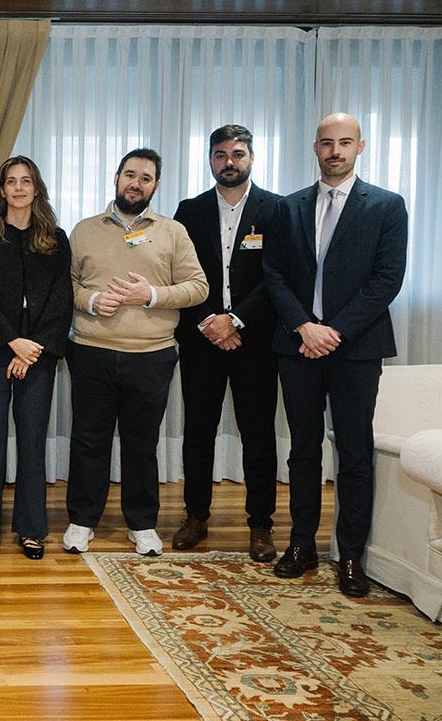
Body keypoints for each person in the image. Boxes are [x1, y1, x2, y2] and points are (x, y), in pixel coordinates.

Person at [264, 112, 408, 597]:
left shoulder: (387, 206)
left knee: (354, 452)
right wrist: (305, 326)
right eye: (327, 143)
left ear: (361, 146)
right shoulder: (288, 208)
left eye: (345, 142)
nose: (335, 151)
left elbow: (386, 280)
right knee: (302, 449)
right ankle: (301, 544)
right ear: (315, 147)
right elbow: (274, 275)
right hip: (297, 344)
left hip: (357, 349)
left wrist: (334, 331)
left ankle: (350, 555)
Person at [64, 148, 208, 557]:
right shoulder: (84, 229)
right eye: (130, 174)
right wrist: (91, 302)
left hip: (152, 354)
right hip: (91, 350)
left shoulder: (172, 232)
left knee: (141, 443)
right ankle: (82, 520)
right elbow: (66, 286)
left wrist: (152, 295)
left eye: (146, 178)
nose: (136, 183)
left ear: (156, 186)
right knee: (88, 439)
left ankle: (142, 524)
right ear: (116, 177)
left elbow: (198, 287)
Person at [172, 124, 280, 561]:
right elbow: (178, 275)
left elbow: (279, 277)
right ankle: (195, 516)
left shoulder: (277, 210)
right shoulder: (189, 210)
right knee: (198, 431)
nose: (229, 162)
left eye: (237, 154)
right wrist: (209, 322)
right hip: (201, 340)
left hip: (256, 341)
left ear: (251, 157)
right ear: (210, 159)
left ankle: (261, 525)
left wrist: (234, 320)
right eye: (220, 154)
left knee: (258, 434)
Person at [0, 155, 72, 559]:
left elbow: (63, 299)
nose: (19, 188)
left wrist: (32, 348)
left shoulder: (56, 239)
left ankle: (31, 529)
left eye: (26, 181)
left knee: (31, 442)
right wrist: (13, 342)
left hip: (39, 352)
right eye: (11, 181)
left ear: (37, 188)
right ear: (2, 189)